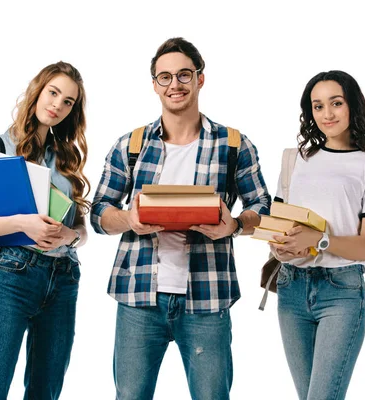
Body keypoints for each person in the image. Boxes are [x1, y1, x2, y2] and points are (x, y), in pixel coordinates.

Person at [90, 37, 270, 400]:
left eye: (184, 75)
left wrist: (234, 225)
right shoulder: (131, 144)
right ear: (154, 85)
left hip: (207, 298)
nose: (175, 85)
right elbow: (98, 212)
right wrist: (129, 220)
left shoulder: (234, 145)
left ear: (200, 79)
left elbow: (263, 207)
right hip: (140, 298)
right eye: (165, 77)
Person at [0, 61, 90, 400]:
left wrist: (69, 236)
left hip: (64, 278)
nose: (57, 105)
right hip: (15, 274)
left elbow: (82, 231)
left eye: (68, 102)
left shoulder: (67, 157)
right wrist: (22, 223)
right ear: (38, 91)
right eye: (54, 93)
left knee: (46, 391)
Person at [270, 70, 365, 400]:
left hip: (340, 290)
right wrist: (278, 248)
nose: (327, 114)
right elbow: (279, 224)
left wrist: (319, 240)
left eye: (336, 103)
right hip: (290, 287)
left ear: (353, 105)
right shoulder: (294, 160)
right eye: (318, 106)